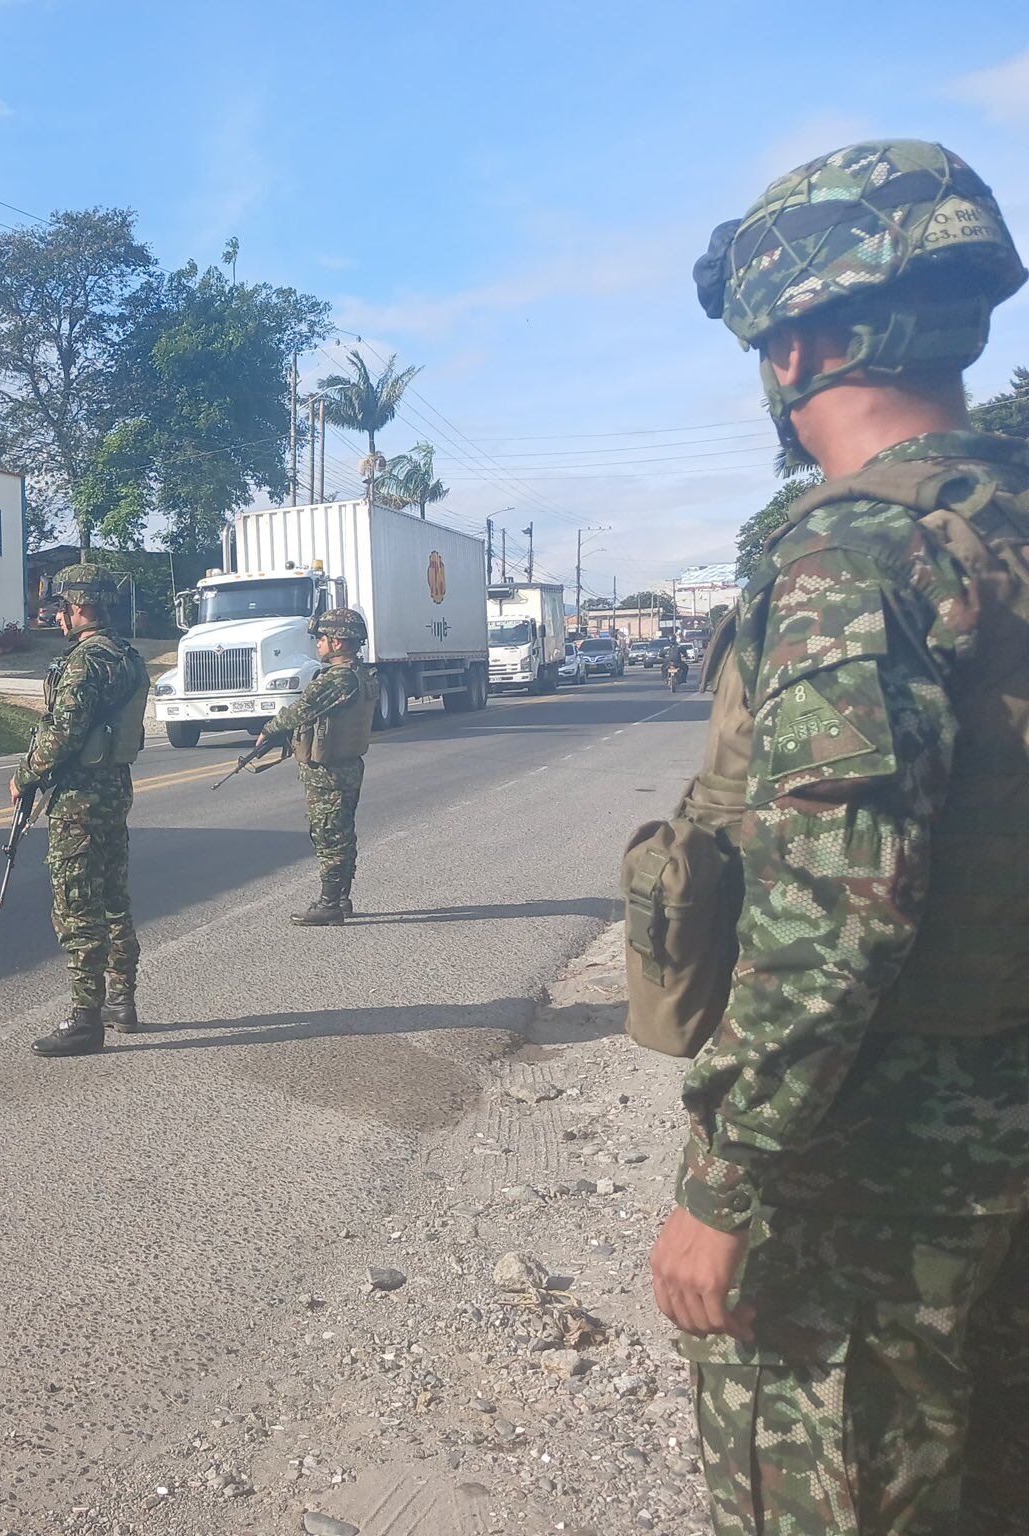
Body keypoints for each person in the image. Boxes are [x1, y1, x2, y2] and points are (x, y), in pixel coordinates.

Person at [652, 139, 1029, 1535]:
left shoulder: (859, 559)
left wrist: (726, 1181)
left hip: (878, 1163)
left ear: (797, 341)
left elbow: (837, 908)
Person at [12, 564, 149, 1057]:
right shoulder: (128, 658)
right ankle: (121, 1000)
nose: (59, 618)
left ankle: (85, 1019)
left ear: (83, 607)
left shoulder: (84, 662)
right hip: (114, 792)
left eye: (64, 608)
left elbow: (64, 734)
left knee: (77, 907)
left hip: (78, 802)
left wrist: (25, 774)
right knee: (115, 898)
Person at [254, 607, 375, 926]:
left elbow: (302, 709)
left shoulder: (337, 678)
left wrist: (270, 729)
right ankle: (341, 896)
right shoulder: (359, 673)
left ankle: (329, 904)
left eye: (322, 637)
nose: (318, 643)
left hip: (329, 772)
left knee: (328, 836)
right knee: (342, 833)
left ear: (338, 642)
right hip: (346, 766)